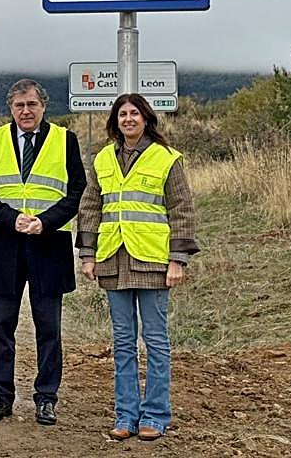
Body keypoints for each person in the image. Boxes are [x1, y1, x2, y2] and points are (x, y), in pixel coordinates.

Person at [75, 93, 199, 442]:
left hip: (154, 262)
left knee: (156, 341)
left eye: (134, 113)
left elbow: (182, 210)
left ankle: (156, 415)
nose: (128, 119)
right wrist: (88, 255)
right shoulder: (102, 159)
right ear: (115, 121)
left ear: (146, 118)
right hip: (113, 259)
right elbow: (89, 208)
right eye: (122, 114)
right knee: (123, 342)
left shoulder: (166, 159)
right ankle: (126, 415)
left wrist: (178, 259)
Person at [0, 78, 86, 426]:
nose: (26, 111)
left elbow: (77, 190)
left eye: (32, 104)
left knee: (48, 327)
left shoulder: (66, 140)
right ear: (10, 108)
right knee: (1, 327)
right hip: (5, 244)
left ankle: (46, 398)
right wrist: (12, 219)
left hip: (49, 245)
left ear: (43, 106)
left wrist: (45, 222)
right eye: (19, 105)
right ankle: (2, 396)